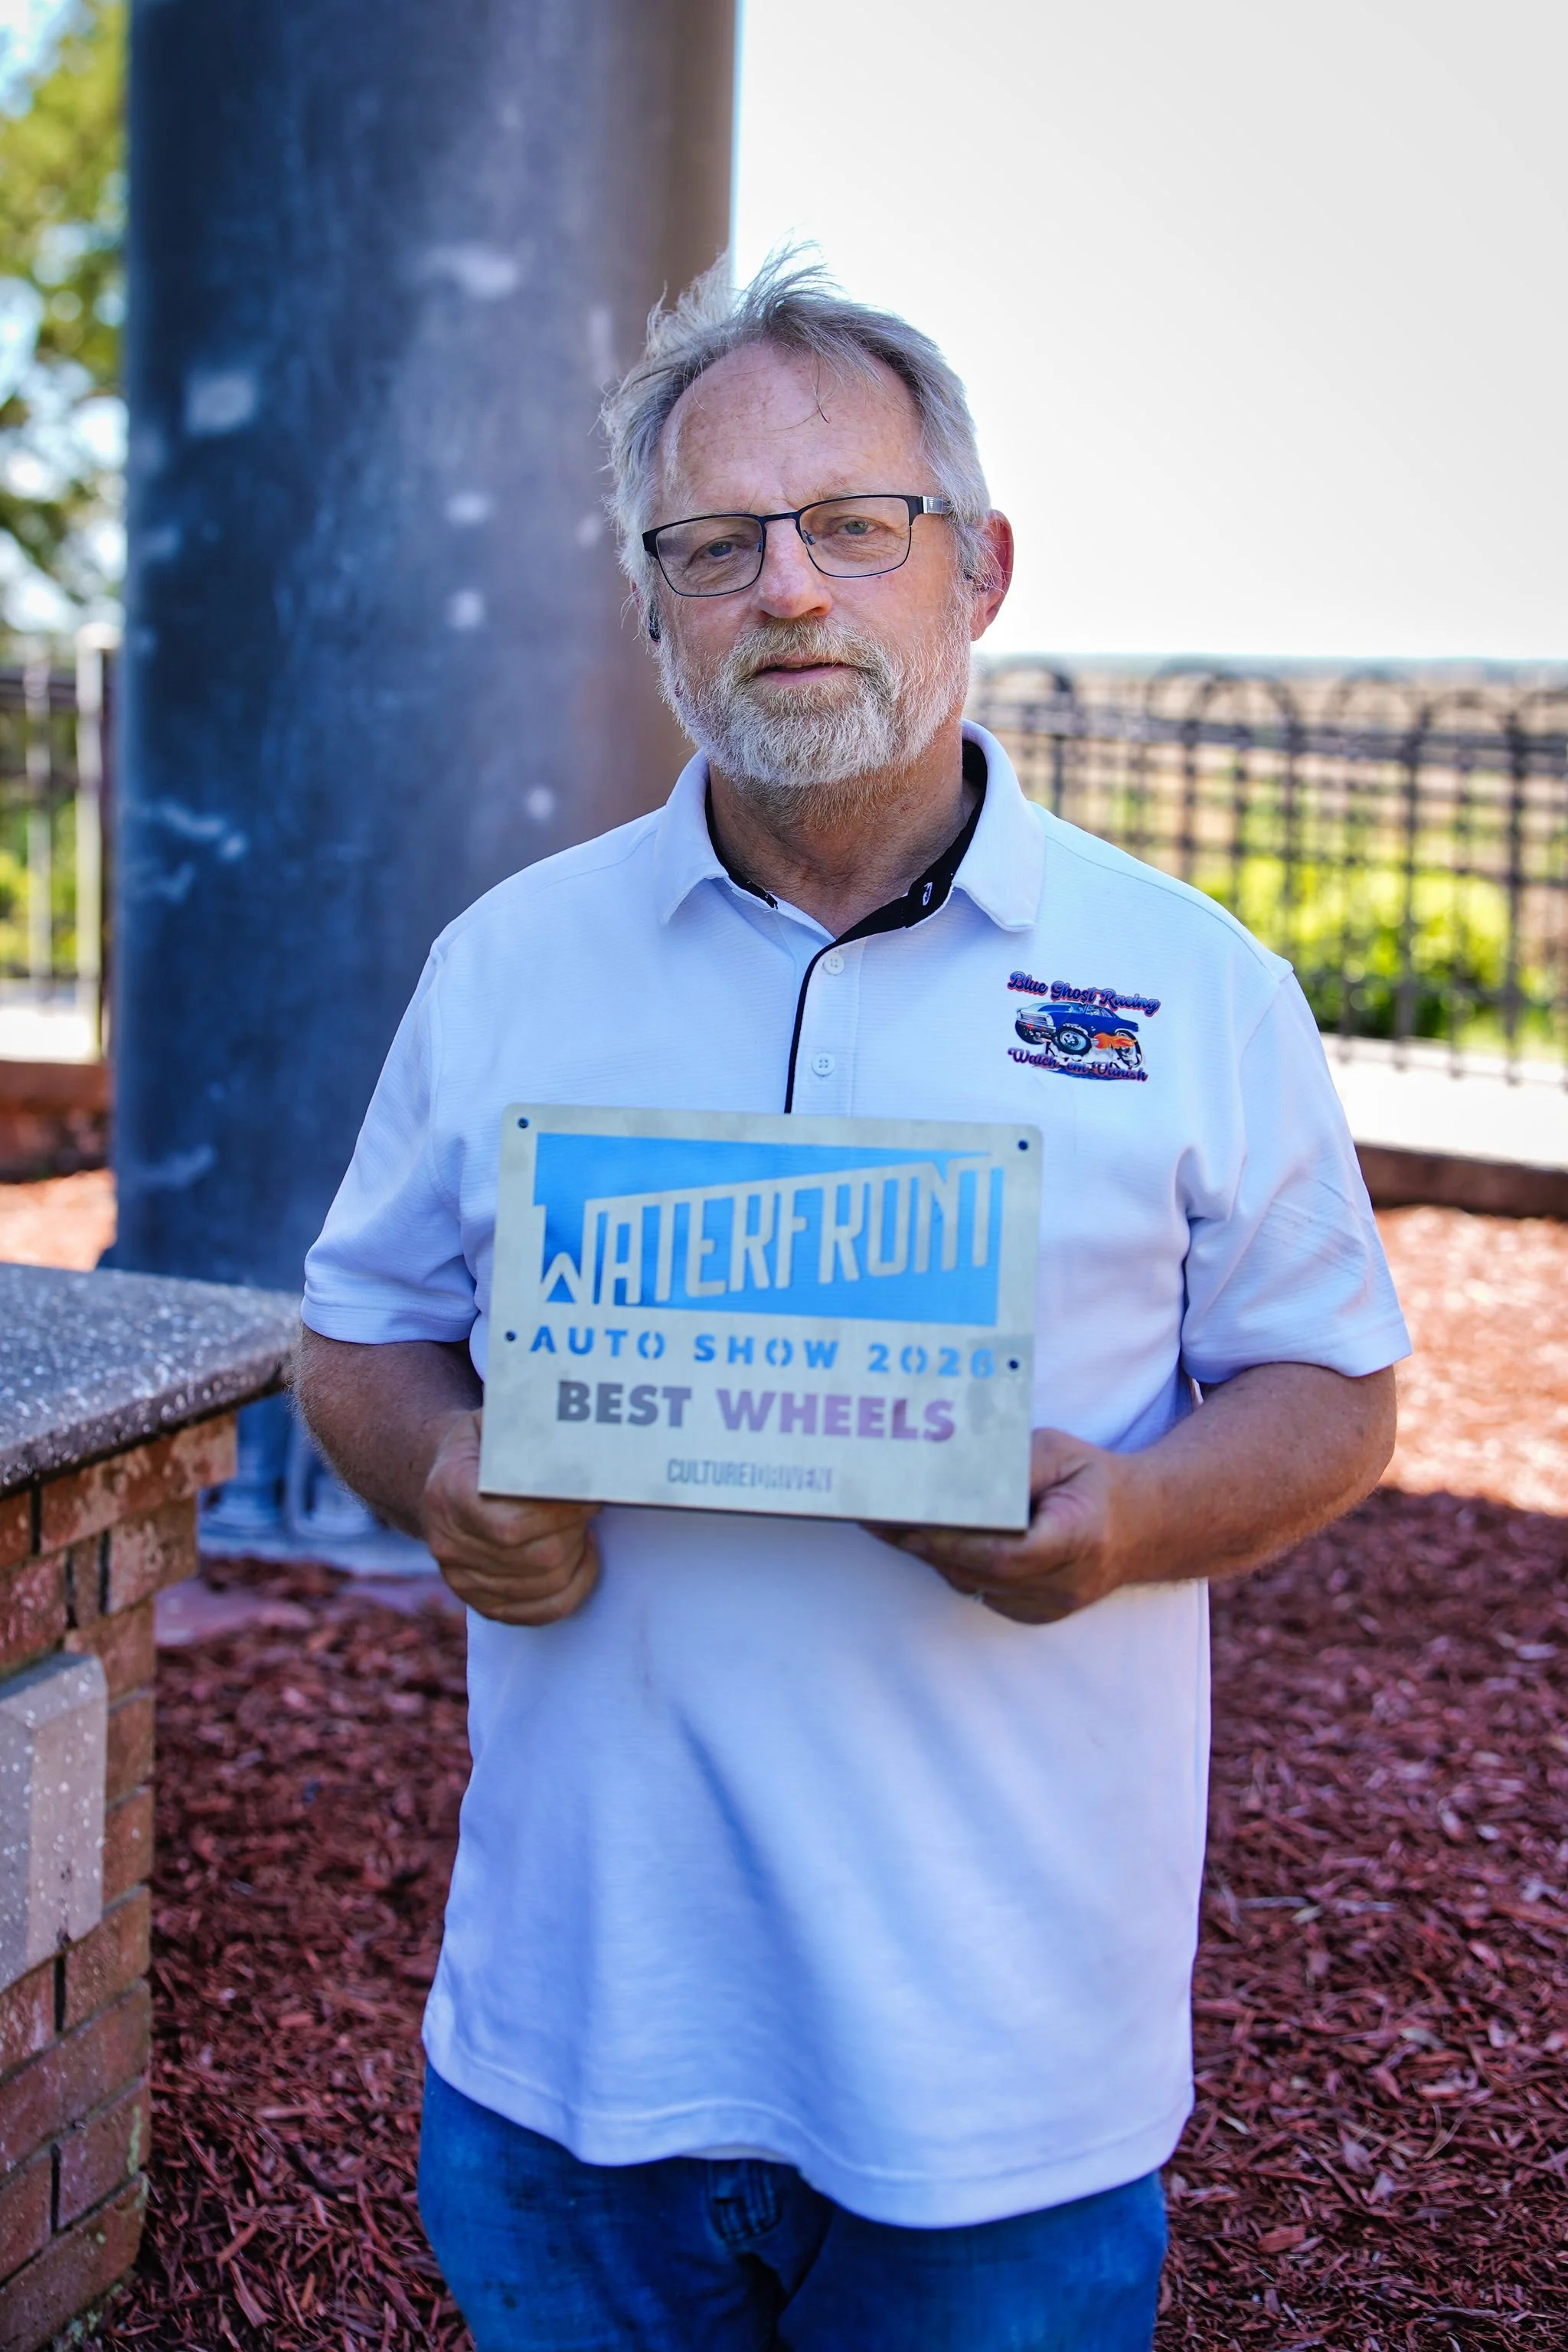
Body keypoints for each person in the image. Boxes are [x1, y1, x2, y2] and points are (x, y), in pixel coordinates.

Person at [296, 254, 1409, 2351]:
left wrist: (1140, 1523)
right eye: (714, 546)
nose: (788, 590)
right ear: (651, 608)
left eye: (854, 527)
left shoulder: (1186, 984)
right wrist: (438, 1461)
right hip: (571, 2062)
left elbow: (1336, 1389)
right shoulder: (512, 963)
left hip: (999, 2094)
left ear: (975, 568)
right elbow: (355, 1329)